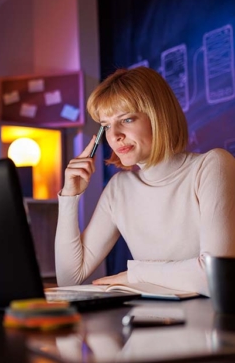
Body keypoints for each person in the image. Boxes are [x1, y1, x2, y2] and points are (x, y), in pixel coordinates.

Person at [55, 66, 235, 296]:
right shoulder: (119, 188)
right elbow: (69, 278)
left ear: (158, 116)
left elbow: (215, 278)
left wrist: (134, 274)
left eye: (127, 119)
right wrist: (69, 196)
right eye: (106, 126)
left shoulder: (212, 166)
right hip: (148, 323)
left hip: (210, 325)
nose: (115, 135)